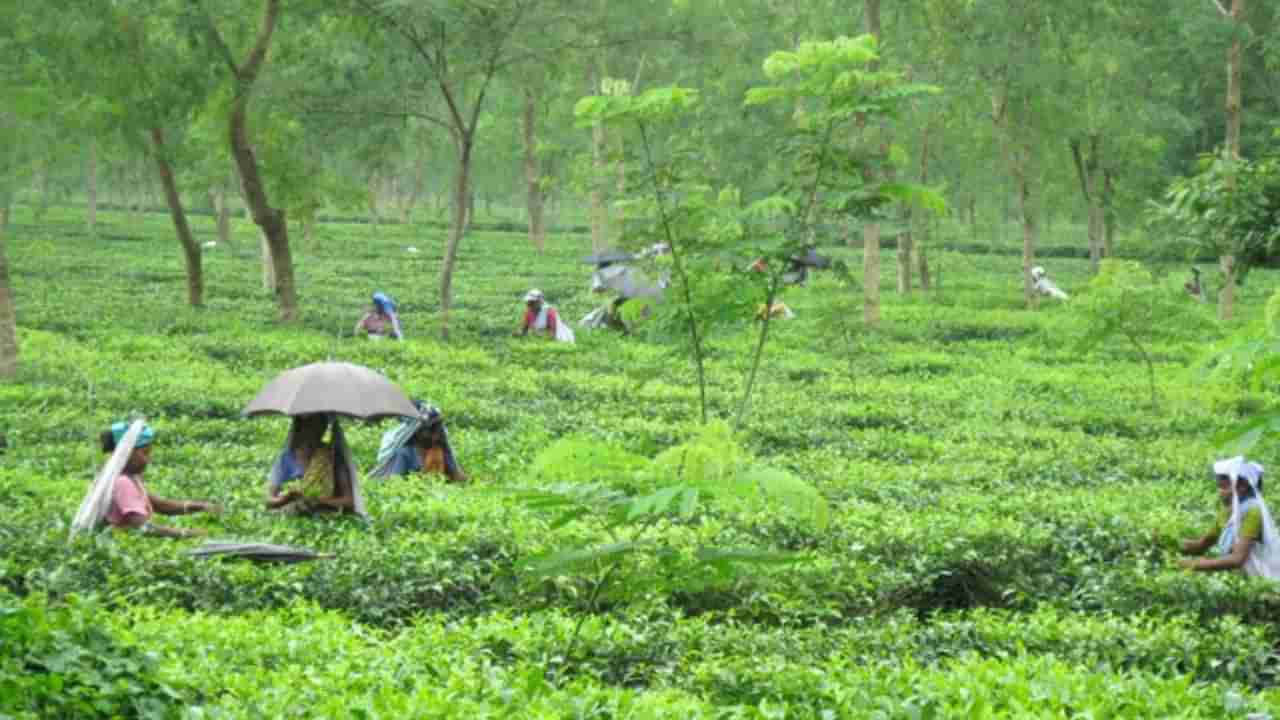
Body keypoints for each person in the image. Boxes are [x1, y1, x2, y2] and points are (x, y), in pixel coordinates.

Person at [99, 422, 221, 538]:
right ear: (127, 454)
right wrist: (186, 534)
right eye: (145, 453)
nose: (148, 459)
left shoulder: (129, 478)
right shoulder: (122, 483)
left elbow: (159, 505)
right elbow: (143, 527)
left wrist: (201, 506)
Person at [1178, 457, 1280, 579]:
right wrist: (1169, 543)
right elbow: (1201, 544)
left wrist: (1192, 564)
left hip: (1264, 581)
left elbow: (1237, 559)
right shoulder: (1227, 512)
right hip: (1241, 580)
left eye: (1223, 487)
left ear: (1242, 487)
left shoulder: (1253, 512)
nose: (1220, 492)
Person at [265, 414, 361, 515]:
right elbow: (269, 499)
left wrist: (318, 501)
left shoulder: (332, 456)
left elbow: (349, 501)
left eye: (319, 425)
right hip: (294, 512)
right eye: (309, 425)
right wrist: (287, 497)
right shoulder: (287, 458)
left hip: (325, 514)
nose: (314, 430)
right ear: (300, 426)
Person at [371, 401, 466, 482]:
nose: (436, 435)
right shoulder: (404, 452)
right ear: (417, 431)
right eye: (431, 430)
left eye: (437, 429)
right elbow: (396, 482)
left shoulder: (439, 448)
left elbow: (455, 473)